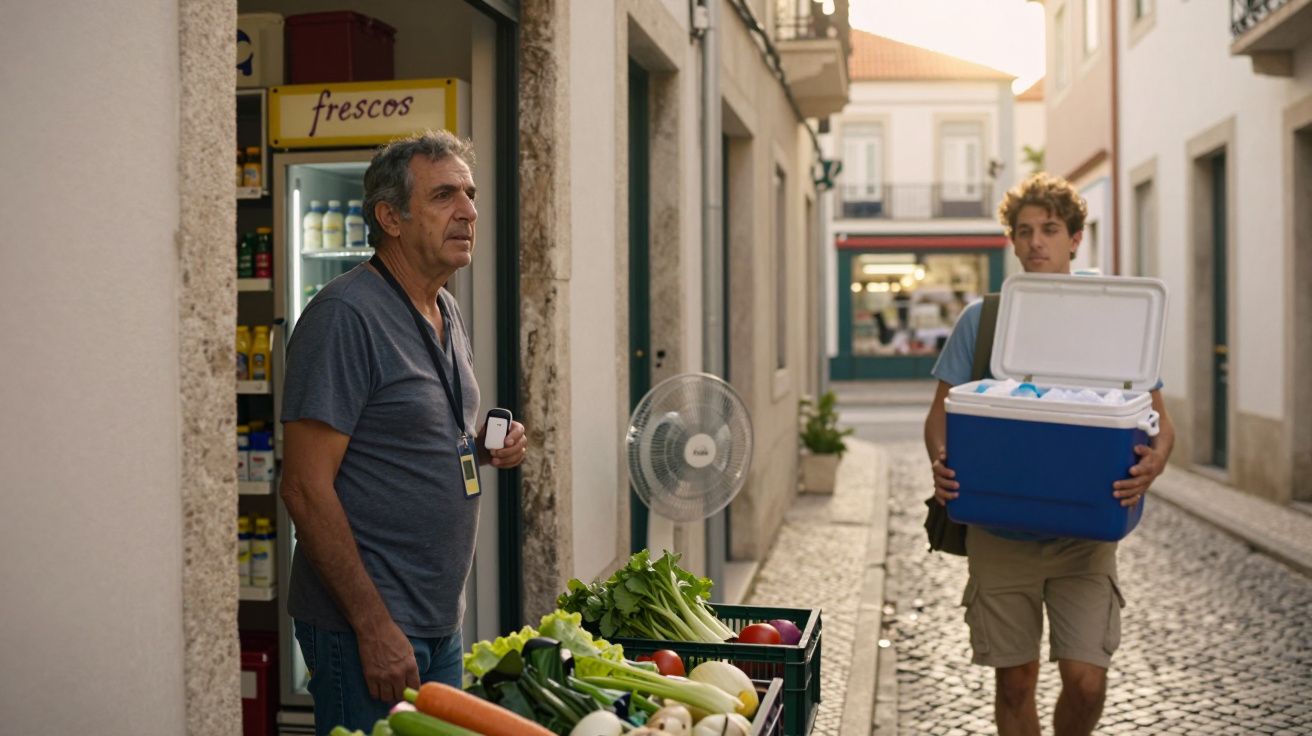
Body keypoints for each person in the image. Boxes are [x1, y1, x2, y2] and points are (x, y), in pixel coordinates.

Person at [279, 130, 527, 734]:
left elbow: (412, 429)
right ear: (390, 217)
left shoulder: (444, 307)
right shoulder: (345, 316)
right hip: (366, 627)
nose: (469, 211)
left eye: (469, 194)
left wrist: (483, 448)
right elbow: (305, 490)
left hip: (438, 619)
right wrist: (372, 626)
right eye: (445, 195)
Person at [922, 173, 1175, 736]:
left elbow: (1160, 424)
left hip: (1083, 534)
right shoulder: (981, 319)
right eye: (1024, 231)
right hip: (1000, 532)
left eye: (1050, 230)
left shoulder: (1113, 314)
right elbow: (940, 415)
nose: (1036, 242)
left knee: (1087, 681)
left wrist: (1153, 466)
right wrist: (941, 462)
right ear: (1011, 241)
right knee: (1014, 684)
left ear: (1075, 238)